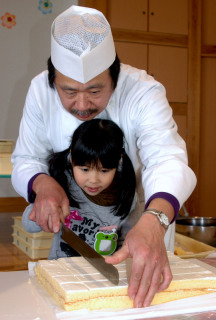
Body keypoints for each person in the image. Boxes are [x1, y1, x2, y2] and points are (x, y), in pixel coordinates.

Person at [11, 5, 197, 308]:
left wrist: (156, 219)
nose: (81, 104)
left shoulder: (142, 91)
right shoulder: (39, 91)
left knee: (143, 306)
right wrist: (42, 184)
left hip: (145, 229)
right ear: (53, 81)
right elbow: (26, 158)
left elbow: (167, 160)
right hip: (74, 242)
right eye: (68, 91)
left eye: (95, 91)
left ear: (115, 76)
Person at [22, 119, 136, 259]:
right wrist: (44, 214)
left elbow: (127, 241)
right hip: (60, 272)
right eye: (84, 169)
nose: (93, 180)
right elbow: (28, 225)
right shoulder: (61, 184)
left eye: (104, 171)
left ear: (118, 162)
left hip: (100, 276)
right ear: (72, 158)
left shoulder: (126, 196)